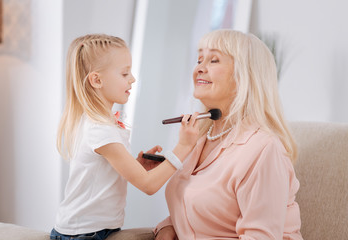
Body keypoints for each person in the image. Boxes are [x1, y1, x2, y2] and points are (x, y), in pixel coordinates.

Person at [154, 29, 304, 240]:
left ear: (245, 77)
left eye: (214, 60)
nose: (199, 68)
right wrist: (167, 227)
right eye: (199, 59)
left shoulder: (263, 149)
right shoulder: (198, 139)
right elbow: (196, 207)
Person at [50, 34, 200, 240]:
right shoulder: (100, 129)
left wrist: (135, 165)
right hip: (83, 234)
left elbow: (101, 172)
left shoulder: (99, 123)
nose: (133, 78)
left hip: (94, 229)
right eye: (124, 73)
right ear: (97, 80)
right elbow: (148, 185)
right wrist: (183, 146)